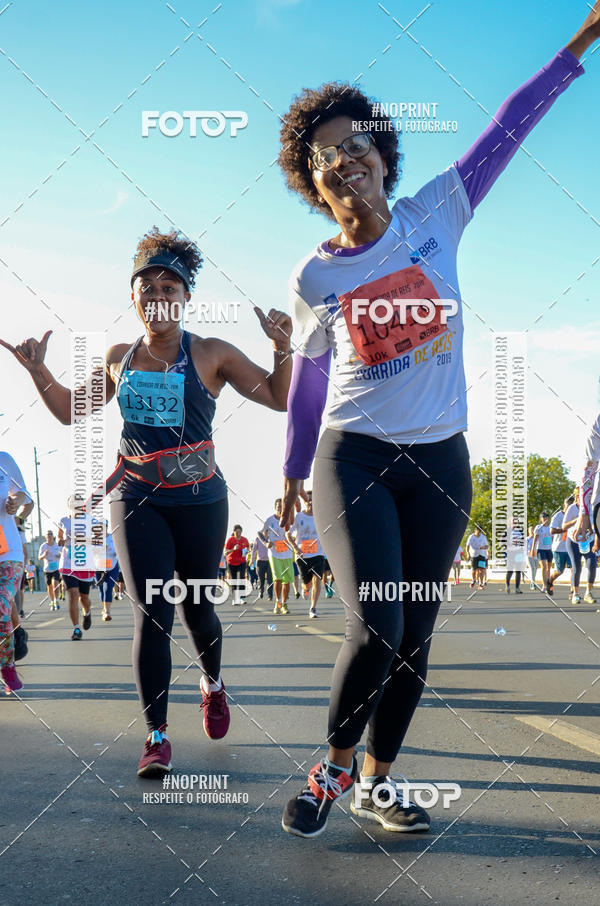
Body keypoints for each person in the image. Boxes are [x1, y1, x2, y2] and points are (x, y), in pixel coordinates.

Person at [277, 4, 598, 839]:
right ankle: (333, 765)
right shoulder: (313, 278)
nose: (344, 160)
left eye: (356, 144)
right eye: (324, 157)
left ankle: (376, 783)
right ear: (314, 186)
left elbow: (510, 126)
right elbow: (311, 381)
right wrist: (292, 467)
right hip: (354, 460)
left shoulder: (437, 213)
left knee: (414, 636)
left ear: (384, 155)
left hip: (441, 463)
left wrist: (579, 43)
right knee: (377, 622)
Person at [2, 227, 292, 775]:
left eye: (169, 288)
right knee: (152, 614)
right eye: (147, 289)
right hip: (137, 497)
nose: (158, 298)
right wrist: (39, 371)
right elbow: (68, 410)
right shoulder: (121, 357)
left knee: (197, 608)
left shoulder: (211, 353)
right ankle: (156, 735)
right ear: (132, 298)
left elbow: (278, 397)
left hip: (201, 499)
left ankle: (212, 683)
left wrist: (281, 347)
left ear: (186, 297)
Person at [0, 452, 33, 693]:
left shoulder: (4, 460)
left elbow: (25, 495)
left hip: (8, 550)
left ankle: (7, 665)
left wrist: (16, 501)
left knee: (1, 605)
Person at [58, 495, 96, 640]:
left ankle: (87, 613)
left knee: (84, 598)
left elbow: (98, 537)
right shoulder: (64, 521)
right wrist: (61, 541)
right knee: (73, 594)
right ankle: (76, 629)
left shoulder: (89, 519)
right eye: (73, 503)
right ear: (69, 505)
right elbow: (59, 538)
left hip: (85, 563)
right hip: (68, 562)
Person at [287, 489, 325, 618]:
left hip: (318, 553)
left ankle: (313, 608)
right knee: (307, 583)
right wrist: (296, 549)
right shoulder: (299, 516)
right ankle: (305, 588)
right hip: (302, 555)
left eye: (312, 500)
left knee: (317, 579)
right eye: (308, 500)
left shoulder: (321, 516)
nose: (310, 502)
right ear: (305, 502)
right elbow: (288, 534)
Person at [260, 499, 295, 615]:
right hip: (274, 553)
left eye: (282, 506)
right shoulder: (270, 520)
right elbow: (260, 533)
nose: (280, 508)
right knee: (277, 579)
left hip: (287, 553)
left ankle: (284, 603)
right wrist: (266, 543)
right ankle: (278, 602)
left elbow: (295, 528)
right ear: (275, 507)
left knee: (287, 580)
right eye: (278, 506)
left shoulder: (288, 519)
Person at [563, 489, 595, 605]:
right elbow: (564, 526)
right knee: (576, 567)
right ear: (577, 497)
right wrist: (578, 520)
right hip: (573, 541)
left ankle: (588, 593)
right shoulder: (572, 508)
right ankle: (575, 594)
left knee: (592, 565)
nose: (588, 498)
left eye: (589, 496)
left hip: (588, 540)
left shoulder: (591, 507)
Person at [93, 522, 120, 621]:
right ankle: (104, 608)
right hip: (98, 568)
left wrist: (114, 551)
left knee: (107, 588)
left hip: (112, 567)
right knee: (101, 589)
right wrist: (100, 549)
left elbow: (120, 550)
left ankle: (107, 612)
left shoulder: (114, 537)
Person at [549, 497, 574, 595]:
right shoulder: (558, 516)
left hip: (571, 546)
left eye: (572, 506)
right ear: (564, 506)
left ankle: (573, 592)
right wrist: (564, 529)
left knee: (574, 569)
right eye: (568, 506)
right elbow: (552, 531)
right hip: (559, 548)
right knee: (559, 571)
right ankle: (550, 581)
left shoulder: (574, 515)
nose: (570, 509)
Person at [225, 525, 250, 606]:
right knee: (234, 580)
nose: (238, 533)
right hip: (231, 562)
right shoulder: (230, 540)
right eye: (237, 532)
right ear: (234, 532)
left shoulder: (244, 540)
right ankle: (235, 599)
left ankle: (242, 598)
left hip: (241, 562)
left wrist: (246, 551)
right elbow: (225, 552)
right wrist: (233, 549)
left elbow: (248, 548)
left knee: (242, 578)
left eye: (239, 532)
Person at [38, 529, 61, 610]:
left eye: (51, 534)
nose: (49, 535)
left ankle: (56, 600)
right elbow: (39, 557)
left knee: (55, 583)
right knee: (49, 586)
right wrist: (44, 555)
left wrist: (60, 555)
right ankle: (52, 601)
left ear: (53, 536)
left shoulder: (57, 545)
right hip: (47, 569)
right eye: (48, 534)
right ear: (45, 537)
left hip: (56, 568)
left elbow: (62, 553)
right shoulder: (43, 546)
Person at [532, 512, 553, 594]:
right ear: (540, 519)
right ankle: (544, 585)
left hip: (549, 549)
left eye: (546, 517)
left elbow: (552, 537)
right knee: (544, 567)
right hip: (541, 549)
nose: (545, 518)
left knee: (548, 569)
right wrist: (533, 550)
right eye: (543, 517)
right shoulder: (538, 527)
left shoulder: (551, 526)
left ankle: (548, 585)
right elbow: (535, 539)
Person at [251, 534, 273, 602]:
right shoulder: (258, 539)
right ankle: (261, 591)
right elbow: (254, 550)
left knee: (270, 579)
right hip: (260, 562)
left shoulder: (271, 538)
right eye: (265, 530)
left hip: (270, 561)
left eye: (268, 530)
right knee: (261, 579)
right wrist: (252, 560)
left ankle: (270, 595)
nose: (266, 532)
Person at [505, 520, 524, 595]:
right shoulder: (507, 531)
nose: (515, 524)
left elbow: (522, 541)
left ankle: (517, 588)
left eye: (516, 522)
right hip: (510, 552)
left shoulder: (520, 530)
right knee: (510, 570)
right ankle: (507, 585)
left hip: (518, 552)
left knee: (518, 571)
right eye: (514, 522)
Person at [526, 526, 539, 590]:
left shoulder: (536, 538)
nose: (532, 531)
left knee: (535, 569)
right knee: (532, 568)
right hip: (529, 555)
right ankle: (532, 583)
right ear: (528, 531)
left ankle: (533, 581)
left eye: (533, 530)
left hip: (536, 555)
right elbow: (526, 548)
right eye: (530, 530)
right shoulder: (527, 539)